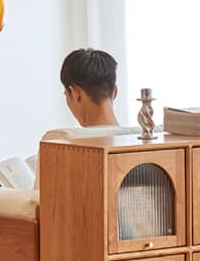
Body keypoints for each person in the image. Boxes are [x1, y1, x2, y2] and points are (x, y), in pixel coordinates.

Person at [33, 48, 139, 188]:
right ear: (115, 92)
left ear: (74, 93)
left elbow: (41, 203)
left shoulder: (60, 143)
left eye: (66, 93)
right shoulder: (142, 140)